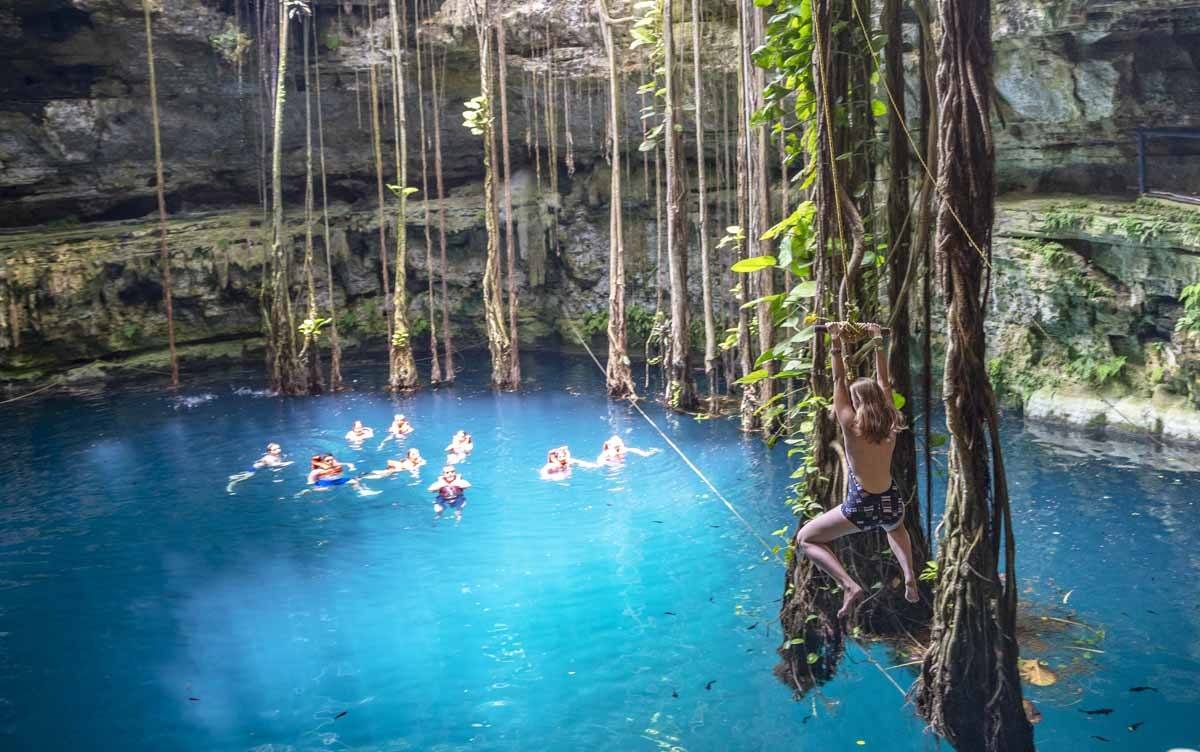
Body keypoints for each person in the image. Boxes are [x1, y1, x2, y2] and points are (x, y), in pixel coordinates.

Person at [793, 322, 919, 620]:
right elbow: (884, 384)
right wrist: (877, 339)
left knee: (807, 538)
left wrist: (836, 340)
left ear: (857, 402)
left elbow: (838, 379)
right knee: (895, 527)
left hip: (861, 503)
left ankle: (849, 585)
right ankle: (909, 574)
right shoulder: (890, 422)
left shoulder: (851, 425)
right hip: (891, 500)